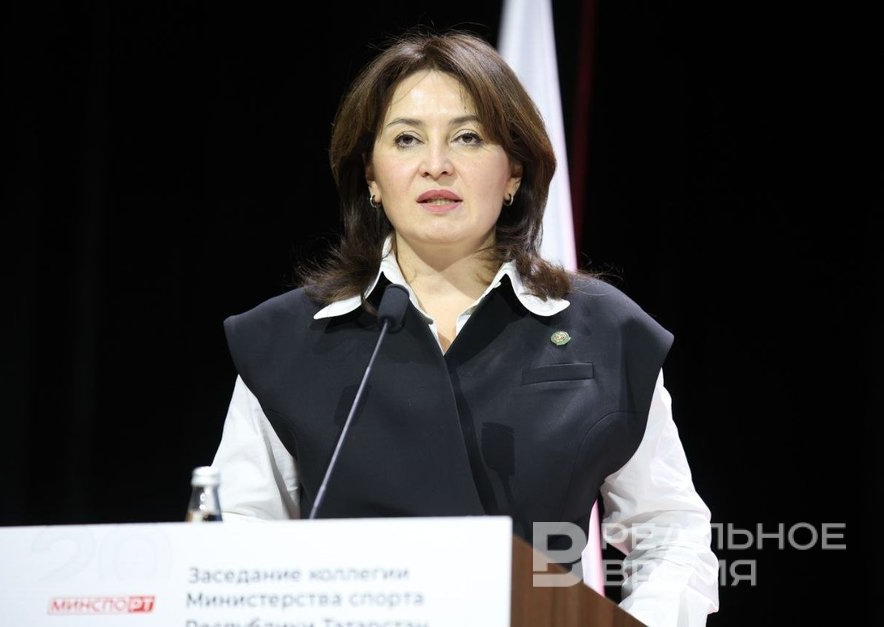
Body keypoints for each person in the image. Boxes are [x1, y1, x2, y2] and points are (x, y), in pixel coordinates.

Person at [209, 26, 719, 626]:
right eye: (406, 139)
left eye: (468, 137)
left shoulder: (606, 333)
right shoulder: (287, 341)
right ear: (371, 176)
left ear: (514, 173)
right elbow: (238, 542)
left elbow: (670, 532)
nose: (436, 166)